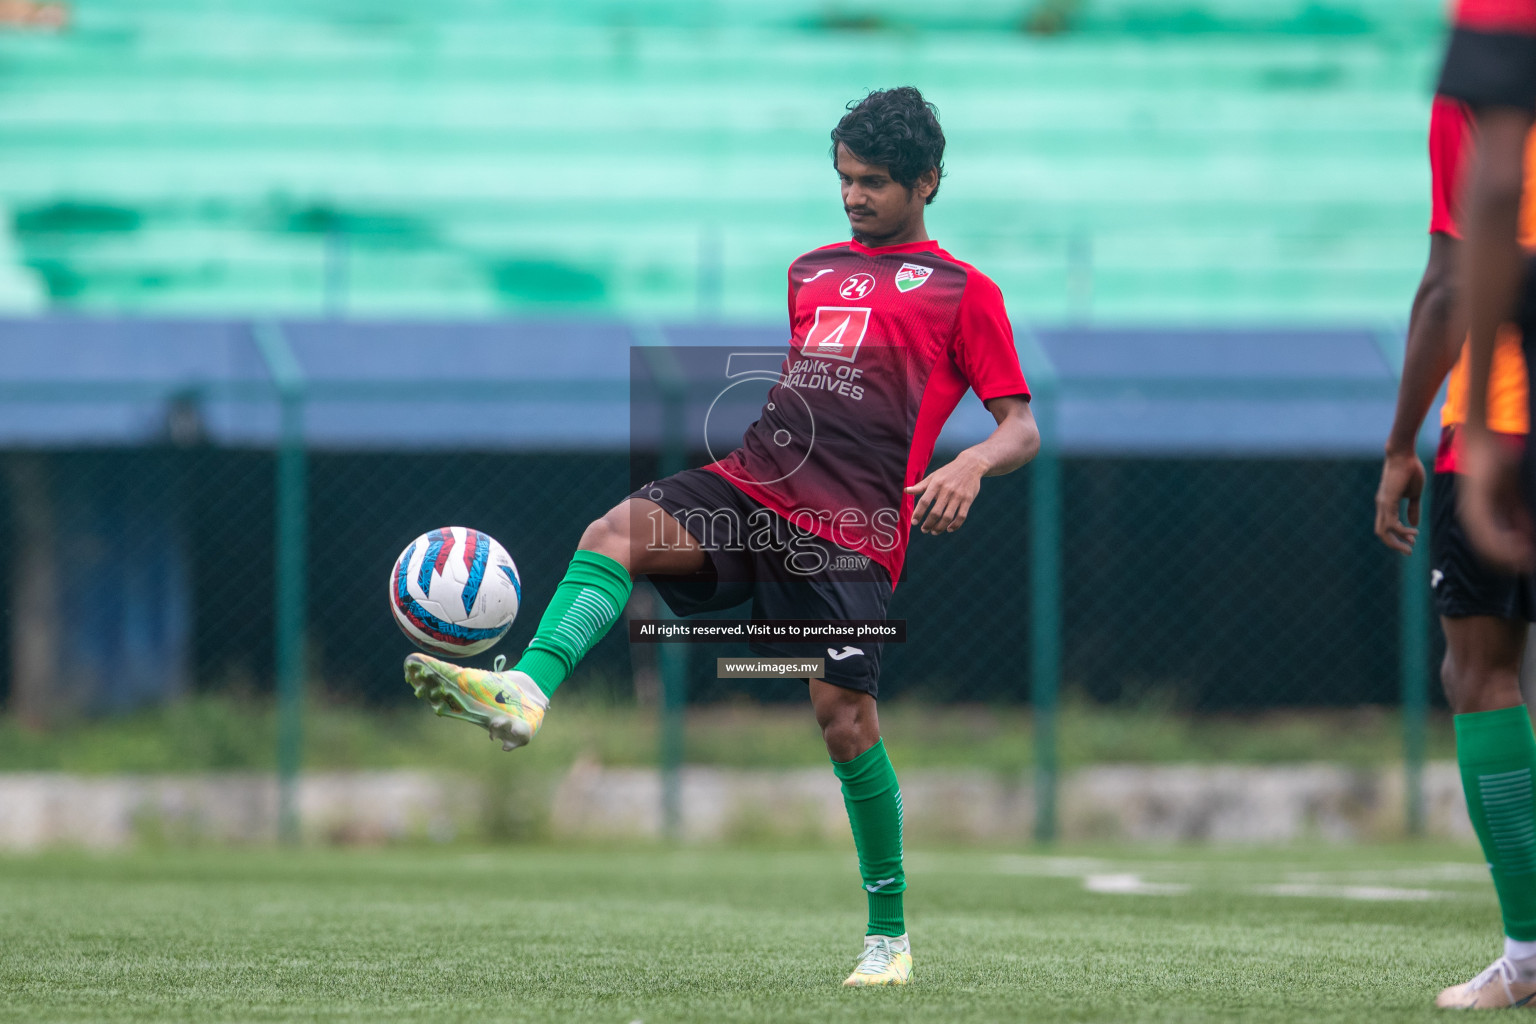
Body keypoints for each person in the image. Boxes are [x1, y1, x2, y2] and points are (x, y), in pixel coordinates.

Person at [401, 86, 1039, 988]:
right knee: (614, 532)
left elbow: (1020, 426)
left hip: (848, 535)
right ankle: (526, 692)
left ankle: (889, 938)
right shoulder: (810, 271)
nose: (854, 197)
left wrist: (969, 465)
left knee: (845, 725)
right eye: (844, 179)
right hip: (753, 484)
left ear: (928, 182)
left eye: (875, 183)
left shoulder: (964, 294)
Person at [1430, 0, 1536, 1010]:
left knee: (1480, 667)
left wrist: (1484, 430)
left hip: (1509, 402)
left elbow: (1477, 214)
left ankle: (1530, 950)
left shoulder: (1497, 17)